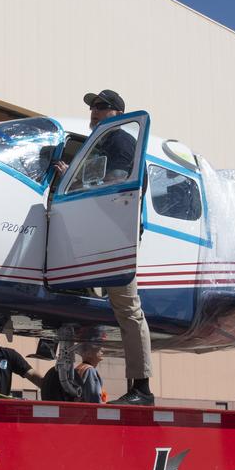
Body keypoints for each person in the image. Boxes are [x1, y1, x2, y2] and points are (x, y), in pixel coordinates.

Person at [80, 90, 155, 406]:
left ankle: (142, 388)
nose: (94, 111)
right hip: (100, 235)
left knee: (128, 308)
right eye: (92, 107)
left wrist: (81, 180)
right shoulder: (99, 145)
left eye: (101, 106)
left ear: (118, 114)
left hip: (116, 237)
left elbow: (118, 185)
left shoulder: (121, 142)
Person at [40, 342, 106, 403]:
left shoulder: (79, 368)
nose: (102, 349)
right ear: (88, 353)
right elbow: (94, 397)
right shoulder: (90, 370)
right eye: (98, 348)